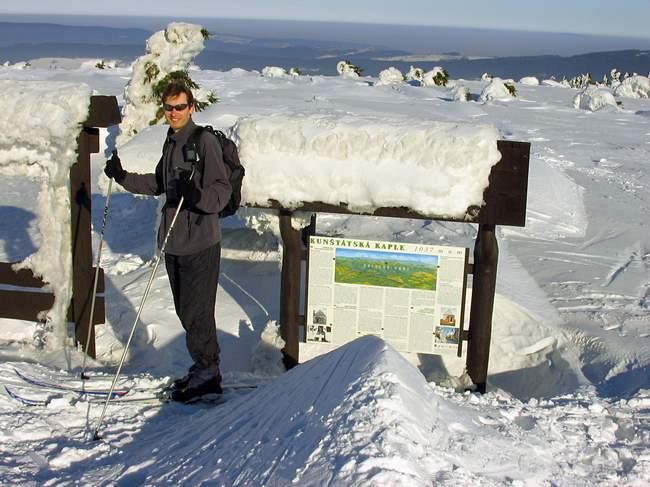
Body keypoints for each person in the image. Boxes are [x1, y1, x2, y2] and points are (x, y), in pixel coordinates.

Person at [104, 83, 232, 402]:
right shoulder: (171, 141)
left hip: (200, 241)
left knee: (198, 313)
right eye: (168, 107)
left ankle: (208, 374)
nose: (173, 113)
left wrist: (197, 195)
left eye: (179, 107)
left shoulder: (203, 142)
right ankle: (201, 367)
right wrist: (123, 177)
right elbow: (159, 183)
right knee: (185, 311)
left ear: (191, 107)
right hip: (174, 241)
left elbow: (221, 192)